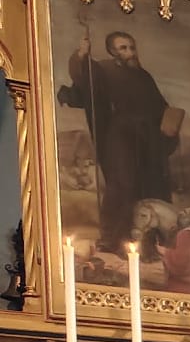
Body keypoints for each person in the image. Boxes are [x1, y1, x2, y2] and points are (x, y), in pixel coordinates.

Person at [58, 30, 177, 254]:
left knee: (149, 184)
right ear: (113, 51)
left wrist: (169, 126)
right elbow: (85, 81)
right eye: (124, 48)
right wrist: (81, 55)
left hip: (148, 139)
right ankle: (113, 237)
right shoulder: (104, 70)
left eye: (132, 47)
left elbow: (159, 106)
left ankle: (148, 241)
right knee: (123, 184)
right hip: (120, 137)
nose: (130, 52)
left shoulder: (144, 77)